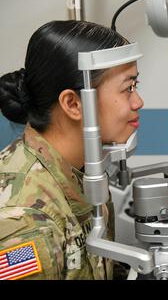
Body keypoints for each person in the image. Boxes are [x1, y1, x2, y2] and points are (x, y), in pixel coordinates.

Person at [0, 20, 143, 280]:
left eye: (136, 86)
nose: (138, 102)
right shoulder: (26, 220)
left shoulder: (82, 173)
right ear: (73, 104)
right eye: (127, 88)